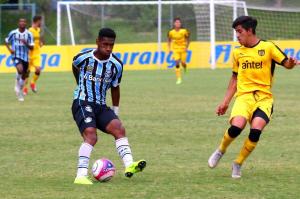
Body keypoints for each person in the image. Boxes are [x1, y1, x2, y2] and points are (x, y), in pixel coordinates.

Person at [208, 16, 299, 178]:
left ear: (250, 31)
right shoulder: (237, 52)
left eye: (239, 31)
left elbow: (286, 63)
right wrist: (225, 102)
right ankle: (221, 150)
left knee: (255, 131)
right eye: (236, 32)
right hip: (244, 97)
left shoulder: (268, 47)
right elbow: (235, 78)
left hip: (264, 98)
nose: (237, 35)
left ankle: (238, 163)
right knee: (237, 127)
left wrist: (291, 63)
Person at [72, 28, 146, 185]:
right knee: (91, 135)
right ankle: (81, 175)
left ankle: (129, 165)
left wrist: (115, 111)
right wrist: (79, 83)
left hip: (101, 105)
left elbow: (115, 87)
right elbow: (74, 64)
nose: (108, 48)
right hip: (82, 101)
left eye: (111, 45)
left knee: (119, 128)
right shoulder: (84, 57)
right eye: (105, 44)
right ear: (97, 42)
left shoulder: (116, 65)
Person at [5, 18, 34, 101]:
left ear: (26, 23)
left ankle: (19, 87)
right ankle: (19, 91)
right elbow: (6, 41)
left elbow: (32, 47)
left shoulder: (29, 34)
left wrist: (26, 43)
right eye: (21, 21)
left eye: (24, 22)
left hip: (25, 57)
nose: (22, 23)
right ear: (18, 23)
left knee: (24, 75)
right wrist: (10, 50)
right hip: (16, 56)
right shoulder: (13, 33)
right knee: (20, 70)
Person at [23, 15, 43, 95]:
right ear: (36, 21)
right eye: (40, 21)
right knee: (27, 73)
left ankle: (33, 82)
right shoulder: (29, 31)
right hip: (29, 55)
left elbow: (38, 40)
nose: (41, 22)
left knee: (38, 69)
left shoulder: (38, 30)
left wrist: (40, 43)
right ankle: (25, 88)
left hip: (37, 54)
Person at [167, 17, 190, 85]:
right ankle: (179, 78)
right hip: (175, 49)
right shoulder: (171, 32)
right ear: (174, 24)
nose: (178, 24)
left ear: (180, 23)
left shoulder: (184, 31)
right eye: (176, 22)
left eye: (179, 22)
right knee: (177, 62)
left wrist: (186, 47)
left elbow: (188, 39)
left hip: (183, 49)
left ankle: (185, 67)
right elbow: (169, 40)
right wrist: (169, 48)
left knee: (183, 63)